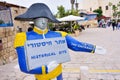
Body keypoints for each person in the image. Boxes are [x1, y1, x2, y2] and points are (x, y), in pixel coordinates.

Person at [14, 3, 106, 80]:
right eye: (39, 19)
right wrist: (45, 69)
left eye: (45, 19)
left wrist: (93, 48)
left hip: (59, 76)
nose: (43, 22)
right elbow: (24, 66)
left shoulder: (59, 35)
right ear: (33, 20)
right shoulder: (23, 37)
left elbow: (76, 45)